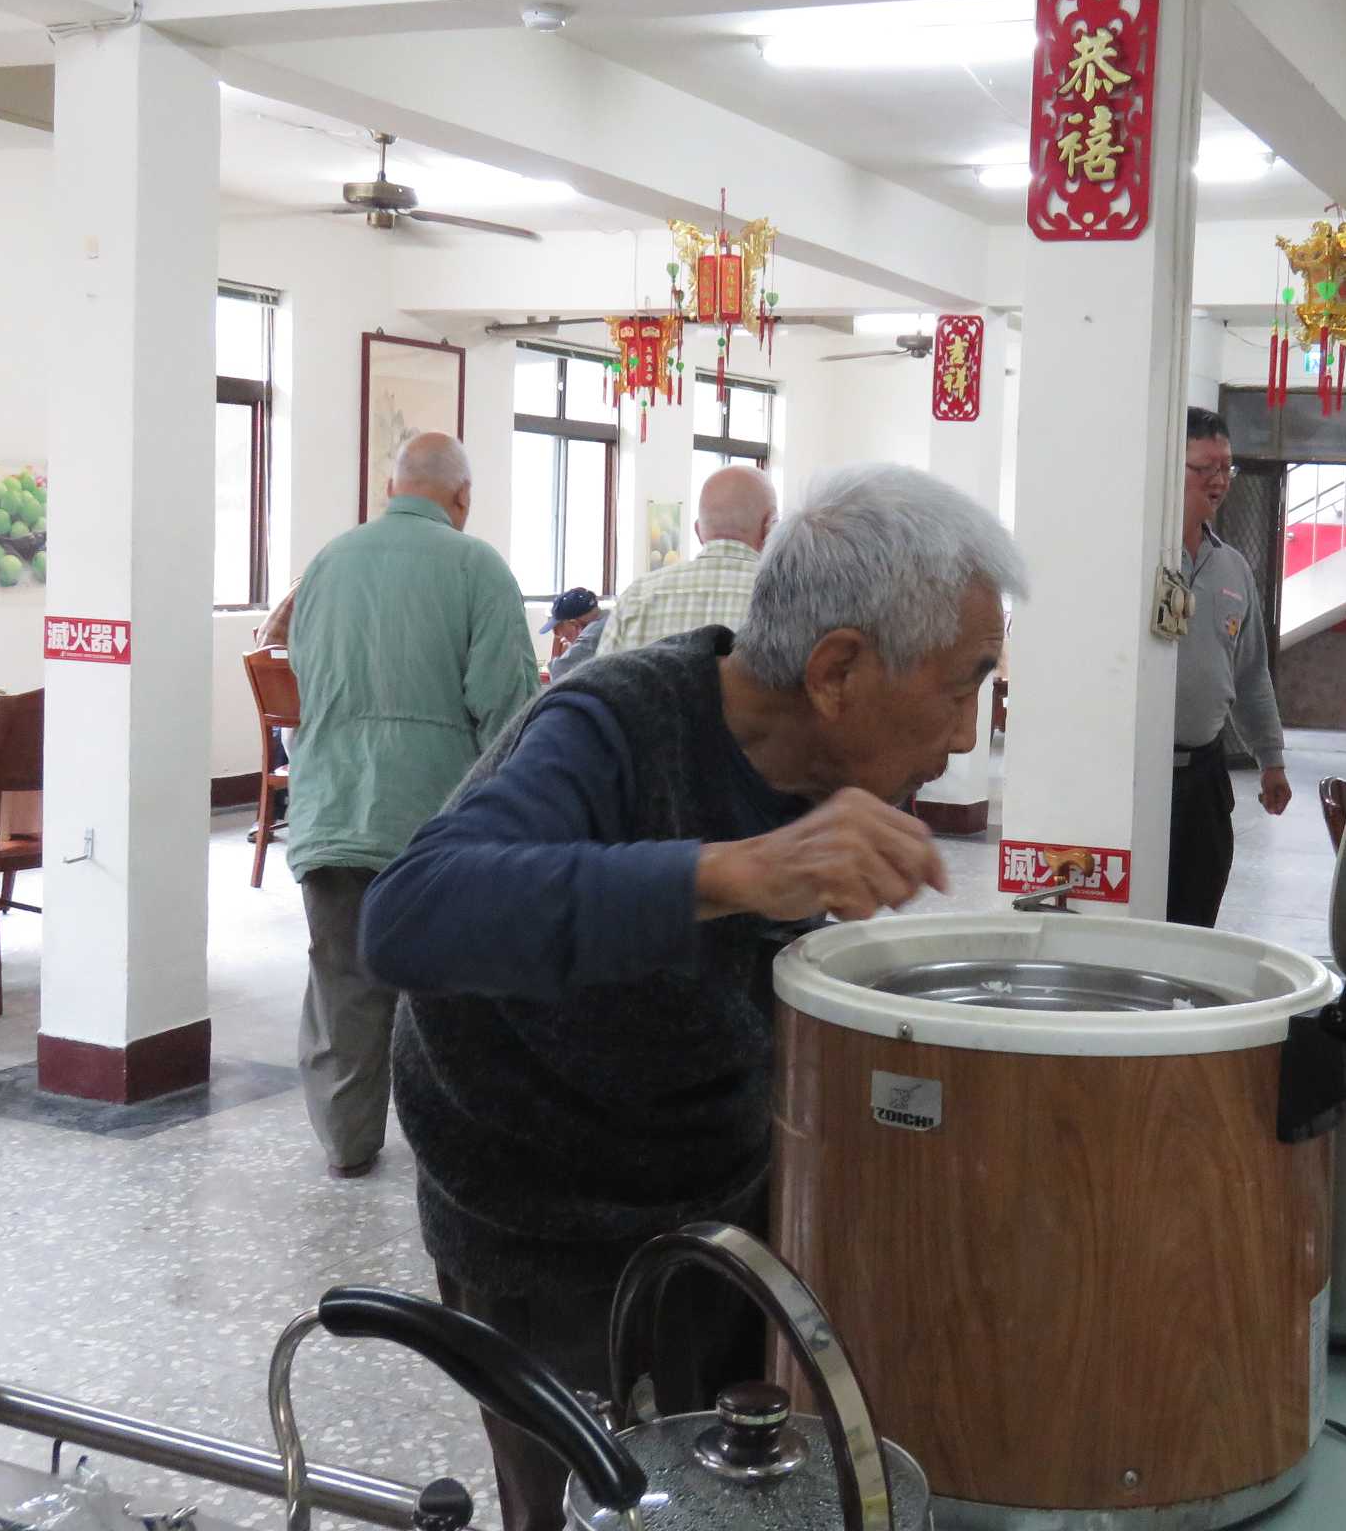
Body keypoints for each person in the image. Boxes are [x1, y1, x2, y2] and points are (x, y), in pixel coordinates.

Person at [359, 463, 1023, 1530]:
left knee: (735, 1485)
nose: (959, 738)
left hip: (711, 1194)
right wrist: (732, 871)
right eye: (961, 686)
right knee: (587, 1507)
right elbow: (410, 915)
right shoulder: (611, 725)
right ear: (839, 670)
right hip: (538, 1225)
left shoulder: (822, 775)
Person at [284, 433, 538, 1179]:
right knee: (448, 992)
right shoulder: (478, 566)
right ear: (462, 499)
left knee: (343, 979)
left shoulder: (328, 563)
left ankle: (347, 1143)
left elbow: (307, 678)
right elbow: (508, 709)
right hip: (437, 823)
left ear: (390, 489)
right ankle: (453, 1142)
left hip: (332, 806)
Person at [1168, 407, 1289, 927]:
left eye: (1227, 468)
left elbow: (1251, 672)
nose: (1219, 481)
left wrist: (1271, 758)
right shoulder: (1143, 558)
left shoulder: (1232, 567)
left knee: (1198, 910)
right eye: (1205, 468)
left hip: (1206, 776)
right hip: (1139, 774)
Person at [593, 464, 776, 656]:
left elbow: (598, 682)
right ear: (769, 529)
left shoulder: (637, 597)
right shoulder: (791, 599)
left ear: (699, 531)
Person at [544, 587, 605, 680]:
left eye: (558, 631)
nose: (561, 638)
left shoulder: (591, 637)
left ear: (574, 625)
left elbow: (559, 673)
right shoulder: (610, 620)